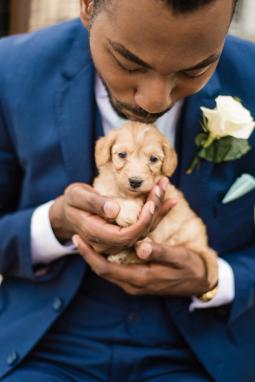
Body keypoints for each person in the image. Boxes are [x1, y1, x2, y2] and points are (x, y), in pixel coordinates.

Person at [0, 0, 254, 380]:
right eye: (129, 63)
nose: (155, 100)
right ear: (87, 6)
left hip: (199, 353)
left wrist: (216, 279)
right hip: (46, 348)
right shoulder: (11, 69)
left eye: (194, 69)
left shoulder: (250, 76)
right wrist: (54, 223)